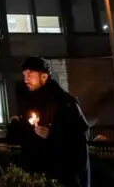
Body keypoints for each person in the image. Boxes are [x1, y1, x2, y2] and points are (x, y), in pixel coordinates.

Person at [10, 57, 90, 187]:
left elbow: (80, 135)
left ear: (44, 77)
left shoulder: (64, 102)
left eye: (30, 74)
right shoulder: (31, 102)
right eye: (24, 75)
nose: (25, 79)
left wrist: (51, 134)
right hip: (40, 173)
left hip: (63, 174)